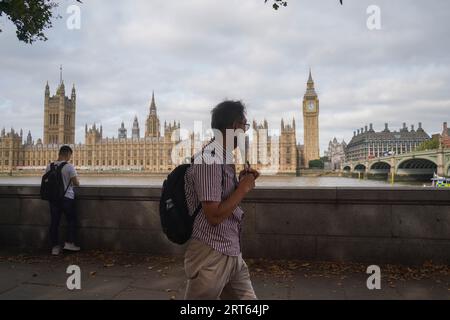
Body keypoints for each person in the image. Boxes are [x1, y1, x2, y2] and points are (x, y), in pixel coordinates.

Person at [184, 100, 260, 300]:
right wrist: (243, 188)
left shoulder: (224, 158)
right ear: (235, 126)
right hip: (211, 253)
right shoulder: (209, 159)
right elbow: (214, 215)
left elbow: (223, 200)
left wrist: (241, 183)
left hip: (231, 250)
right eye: (245, 126)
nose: (246, 131)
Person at [45, 145, 80, 255]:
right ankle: (69, 243)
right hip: (67, 198)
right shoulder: (69, 167)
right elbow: (76, 183)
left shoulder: (49, 166)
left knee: (54, 222)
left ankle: (55, 247)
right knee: (71, 220)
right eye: (70, 155)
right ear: (68, 154)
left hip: (53, 199)